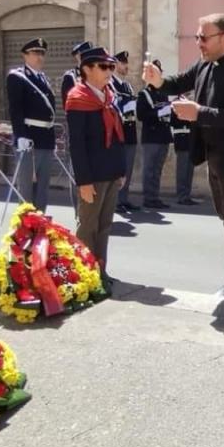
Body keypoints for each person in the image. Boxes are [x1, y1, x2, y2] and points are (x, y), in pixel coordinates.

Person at [141, 13, 224, 301]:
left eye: (203, 37)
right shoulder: (204, 64)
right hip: (214, 155)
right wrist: (159, 80)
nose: (198, 42)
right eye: (197, 37)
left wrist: (198, 113)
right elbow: (177, 82)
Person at [65, 47, 127, 288]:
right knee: (88, 226)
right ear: (87, 69)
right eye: (104, 67)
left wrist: (121, 170)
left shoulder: (109, 95)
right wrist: (83, 181)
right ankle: (81, 273)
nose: (109, 71)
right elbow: (77, 145)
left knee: (105, 225)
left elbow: (119, 136)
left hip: (110, 172)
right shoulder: (77, 97)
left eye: (111, 66)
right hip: (92, 175)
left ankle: (100, 270)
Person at [6, 37, 56, 213]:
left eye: (42, 53)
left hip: (45, 139)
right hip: (29, 138)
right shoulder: (17, 77)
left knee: (42, 189)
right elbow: (15, 109)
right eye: (35, 53)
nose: (39, 57)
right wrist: (20, 135)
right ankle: (25, 230)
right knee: (27, 189)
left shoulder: (43, 78)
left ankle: (40, 227)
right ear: (24, 55)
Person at [137, 59, 173, 210]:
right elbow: (141, 115)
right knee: (149, 169)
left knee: (157, 169)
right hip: (151, 137)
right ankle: (148, 198)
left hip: (163, 136)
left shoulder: (163, 93)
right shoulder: (144, 94)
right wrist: (159, 113)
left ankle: (155, 197)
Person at [110, 51, 141, 213]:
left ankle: (124, 199)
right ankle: (114, 201)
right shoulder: (110, 84)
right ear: (114, 64)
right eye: (123, 63)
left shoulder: (127, 86)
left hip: (130, 131)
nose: (126, 66)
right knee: (118, 167)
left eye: (126, 63)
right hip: (119, 130)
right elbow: (113, 106)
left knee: (128, 167)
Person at [171, 101, 198, 205]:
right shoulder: (176, 104)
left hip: (191, 141)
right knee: (182, 170)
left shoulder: (193, 104)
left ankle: (187, 195)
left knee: (189, 171)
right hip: (182, 141)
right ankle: (181, 196)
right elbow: (174, 121)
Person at [61, 40, 92, 108]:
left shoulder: (96, 74)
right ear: (78, 56)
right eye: (86, 54)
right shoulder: (70, 76)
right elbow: (67, 102)